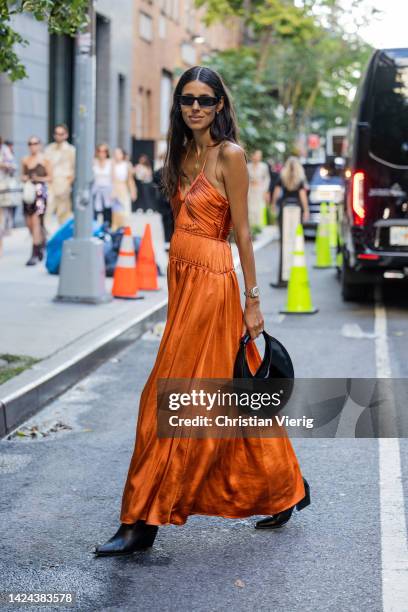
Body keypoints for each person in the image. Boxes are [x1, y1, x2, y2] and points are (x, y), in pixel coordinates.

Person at [93, 65, 310, 557]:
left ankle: (140, 521)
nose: (195, 107)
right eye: (187, 99)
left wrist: (253, 303)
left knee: (162, 401)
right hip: (183, 279)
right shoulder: (181, 152)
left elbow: (243, 234)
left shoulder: (228, 156)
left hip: (213, 282)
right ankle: (286, 487)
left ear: (219, 106)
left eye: (204, 99)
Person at [21, 137, 52, 265]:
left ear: (39, 145)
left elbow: (50, 177)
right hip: (28, 193)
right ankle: (41, 243)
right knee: (29, 223)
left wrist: (38, 178)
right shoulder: (25, 160)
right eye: (30, 143)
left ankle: (34, 252)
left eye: (35, 143)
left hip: (40, 193)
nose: (33, 146)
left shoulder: (45, 160)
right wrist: (26, 178)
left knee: (36, 222)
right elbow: (22, 175)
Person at [44, 124, 75, 229]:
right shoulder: (49, 149)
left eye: (61, 134)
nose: (59, 136)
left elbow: (74, 169)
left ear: (66, 135)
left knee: (63, 216)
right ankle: (50, 240)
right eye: (57, 134)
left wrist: (68, 184)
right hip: (50, 185)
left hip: (64, 185)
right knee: (47, 213)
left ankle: (62, 240)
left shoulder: (71, 150)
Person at [270, 156, 310, 222]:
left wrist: (273, 204)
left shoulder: (282, 177)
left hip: (284, 203)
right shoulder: (300, 179)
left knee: (283, 225)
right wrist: (306, 210)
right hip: (297, 204)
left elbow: (276, 192)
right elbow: (303, 195)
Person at [111, 148, 137, 231]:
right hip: (114, 190)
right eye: (115, 153)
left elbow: (130, 180)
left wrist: (133, 192)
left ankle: (124, 229)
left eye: (119, 153)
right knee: (115, 212)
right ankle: (115, 229)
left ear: (122, 155)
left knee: (125, 212)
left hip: (124, 190)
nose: (117, 155)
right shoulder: (112, 164)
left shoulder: (127, 165)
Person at [91, 143, 113, 227]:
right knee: (95, 212)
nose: (102, 153)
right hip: (96, 190)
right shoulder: (93, 162)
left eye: (104, 151)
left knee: (107, 212)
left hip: (108, 191)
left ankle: (106, 230)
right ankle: (95, 230)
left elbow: (113, 178)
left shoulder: (110, 162)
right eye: (100, 151)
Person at [247, 149, 270, 227]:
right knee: (250, 209)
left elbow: (267, 179)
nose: (257, 157)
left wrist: (265, 190)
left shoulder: (263, 166)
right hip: (250, 191)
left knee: (260, 209)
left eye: (259, 156)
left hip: (260, 190)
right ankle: (251, 228)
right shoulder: (248, 166)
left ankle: (259, 228)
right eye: (256, 155)